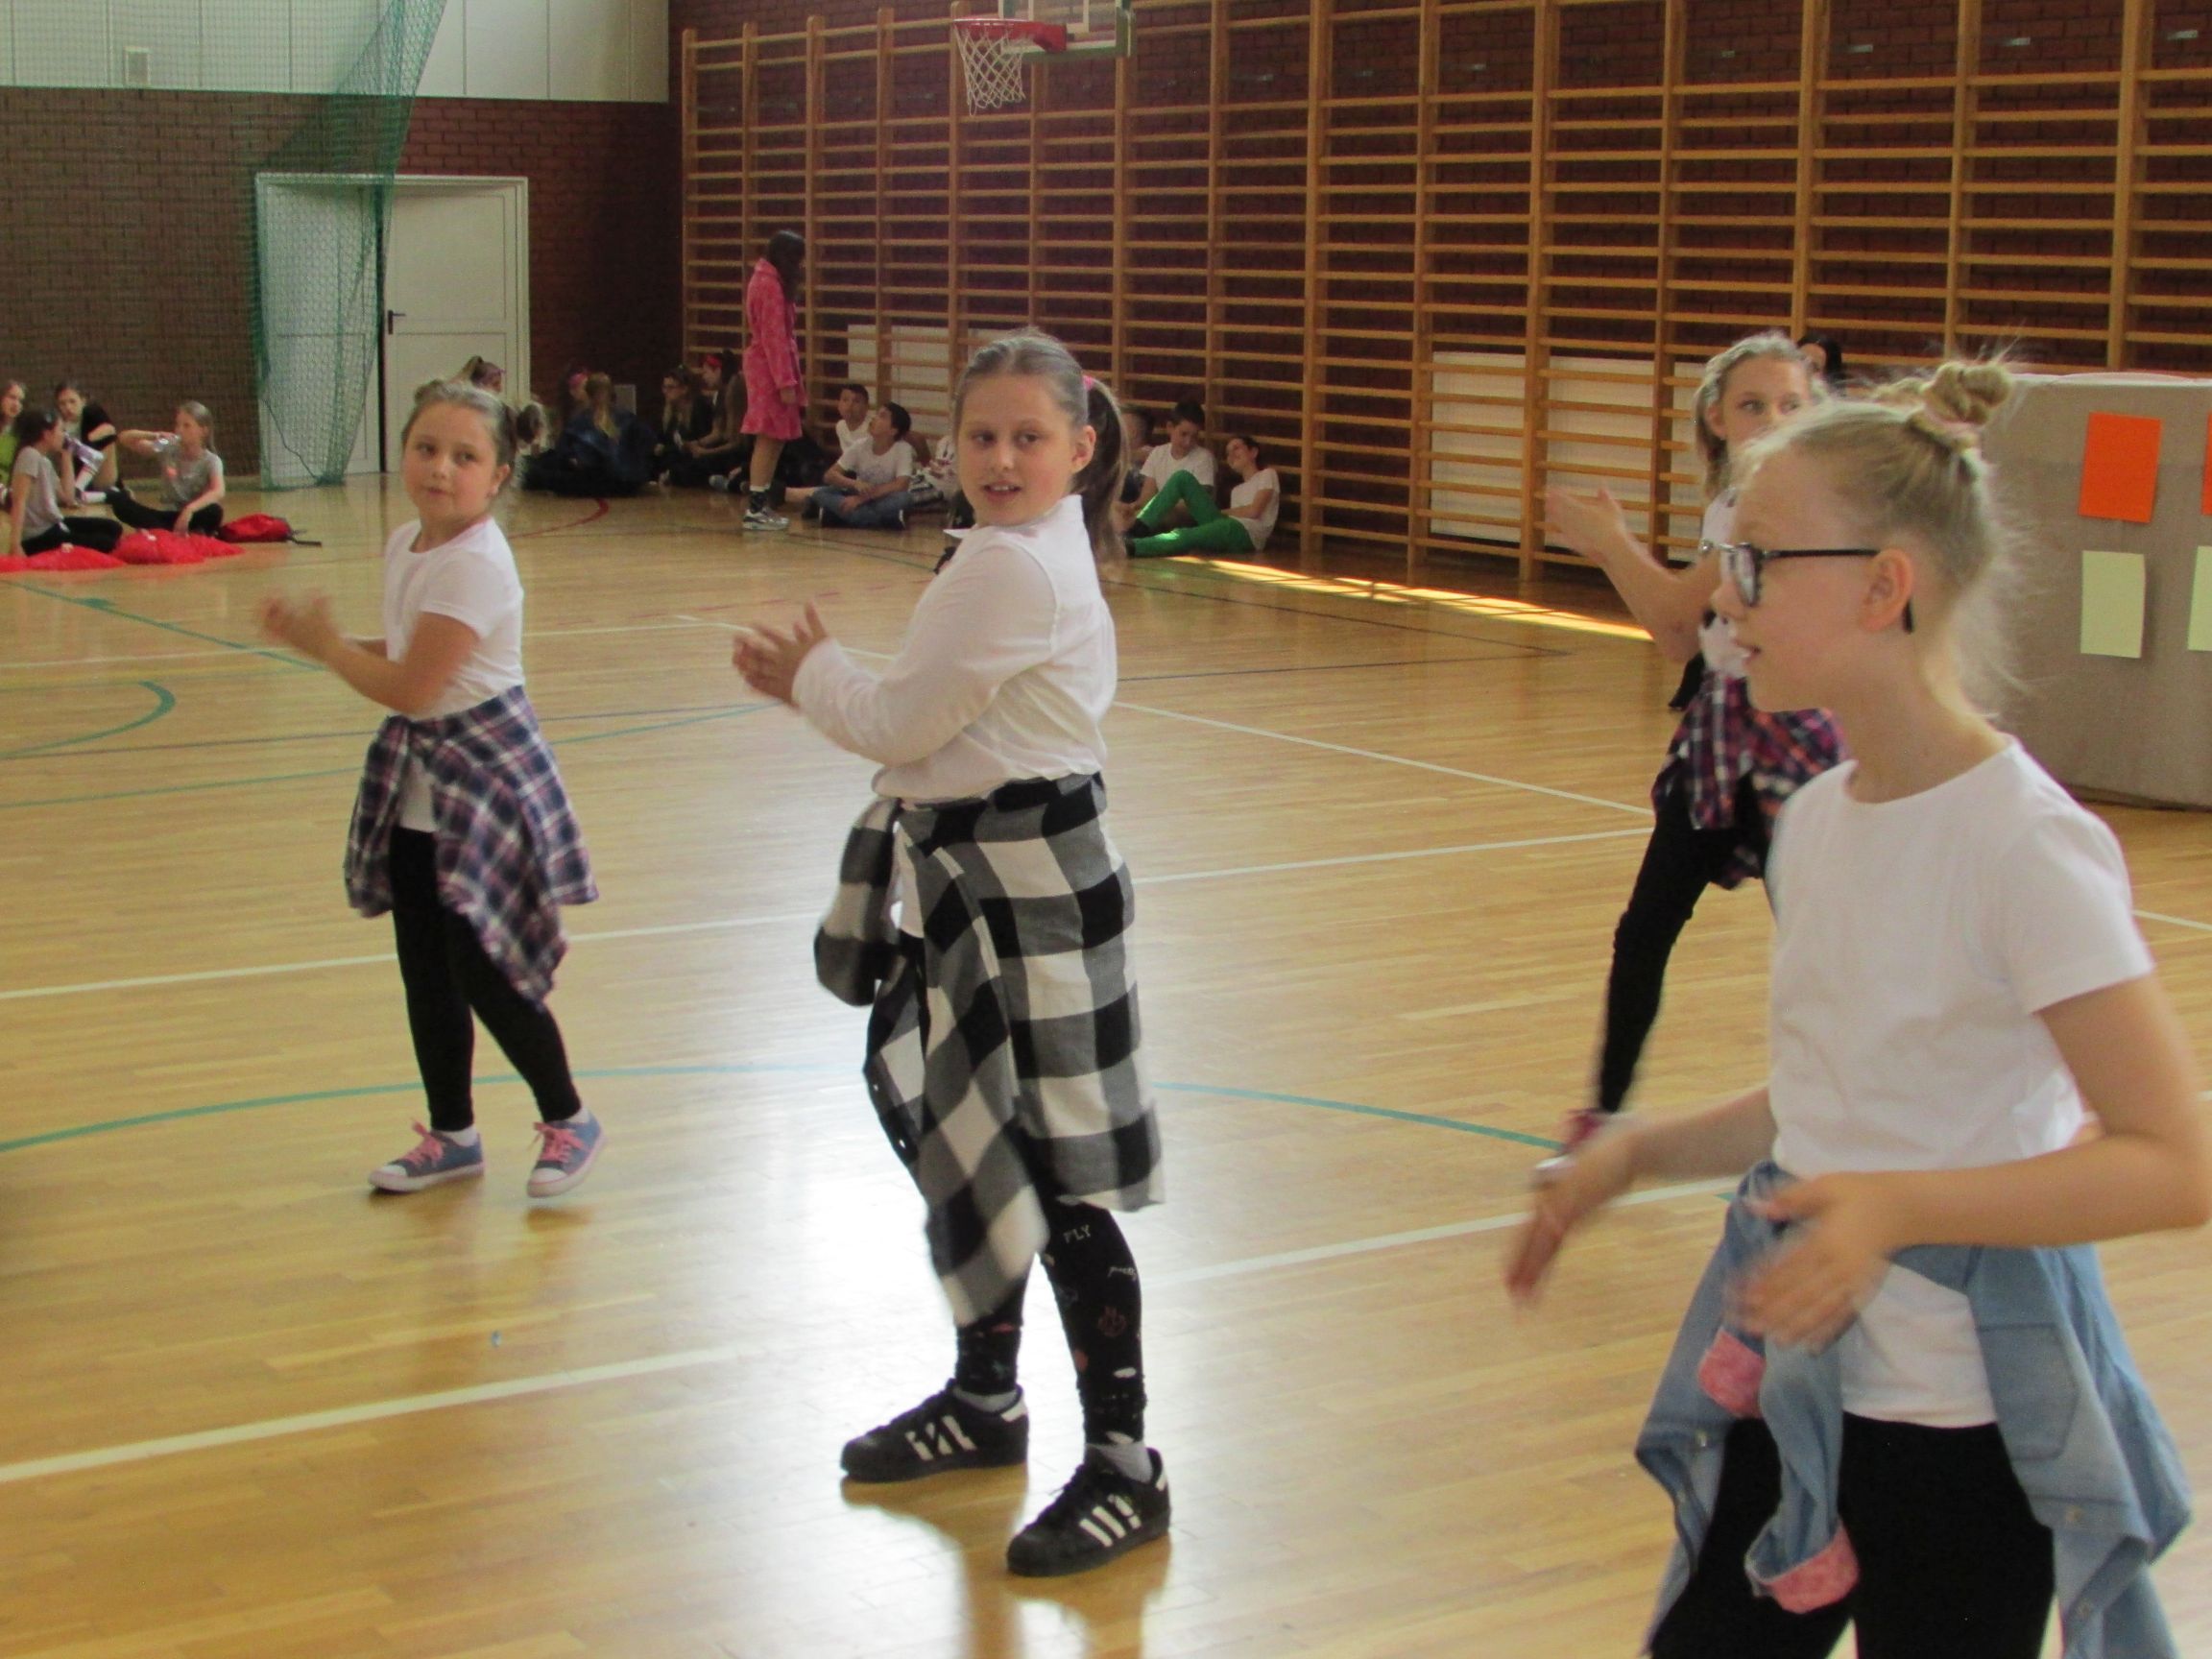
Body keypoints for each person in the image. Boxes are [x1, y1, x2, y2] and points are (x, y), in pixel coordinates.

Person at [1508, 359, 2207, 1659]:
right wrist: (1640, 1152)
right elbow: (1834, 1094)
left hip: (1966, 1429)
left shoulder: (2025, 847)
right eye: (1730, 556)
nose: (1727, 595)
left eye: (1760, 562)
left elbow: (2173, 1165)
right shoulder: (1819, 818)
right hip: (1798, 1377)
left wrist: (1895, 1208)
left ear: (1887, 587)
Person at [733, 330, 1170, 1577]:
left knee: (1052, 1180)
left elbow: (898, 723)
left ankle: (1127, 1467)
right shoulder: (1005, 551)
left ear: (1080, 447)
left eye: (1030, 436)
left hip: (1028, 899)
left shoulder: (1015, 569)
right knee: (964, 1139)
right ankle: (986, 1401)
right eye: (983, 435)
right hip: (980, 888)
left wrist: (811, 675)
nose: (1002, 457)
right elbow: (927, 736)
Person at [254, 380, 604, 1199]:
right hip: (426, 775)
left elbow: (414, 688)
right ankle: (453, 1135)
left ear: (499, 475)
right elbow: (409, 648)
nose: (441, 468)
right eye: (427, 449)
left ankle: (570, 1117)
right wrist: (326, 641)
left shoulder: (476, 564)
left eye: (464, 457)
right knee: (426, 967)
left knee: (486, 967)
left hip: (483, 775)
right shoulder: (410, 542)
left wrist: (328, 649)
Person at [1540, 332, 1842, 1167]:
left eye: (1791, 405)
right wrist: (1613, 547)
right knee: (1646, 927)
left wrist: (1611, 543)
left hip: (1797, 736)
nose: (1773, 419)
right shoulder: (1733, 504)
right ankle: (1605, 1117)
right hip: (1723, 732)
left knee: (1820, 946)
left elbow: (1677, 618)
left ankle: (1836, 1116)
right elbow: (1685, 633)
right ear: (1715, 417)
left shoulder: (1808, 503)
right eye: (1753, 405)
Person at [738, 229, 806, 530]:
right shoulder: (768, 285)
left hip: (770, 366)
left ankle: (760, 504)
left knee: (777, 437)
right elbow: (774, 338)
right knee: (768, 437)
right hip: (769, 369)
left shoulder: (769, 281)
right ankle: (755, 509)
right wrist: (785, 382)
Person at [1127, 434, 1279, 557]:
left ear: (1253, 452)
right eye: (1228, 453)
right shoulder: (1236, 490)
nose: (1231, 455)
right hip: (1227, 526)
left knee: (1185, 534)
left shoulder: (1267, 474)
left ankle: (1133, 547)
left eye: (1236, 448)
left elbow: (1254, 511)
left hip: (1247, 534)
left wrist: (1221, 513)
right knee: (1182, 477)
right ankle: (1138, 528)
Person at [7, 408, 125, 556]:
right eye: (61, 430)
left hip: (53, 525)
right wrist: (16, 545)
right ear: (47, 434)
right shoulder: (29, 455)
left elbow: (68, 497)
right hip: (39, 535)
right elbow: (19, 501)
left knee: (113, 528)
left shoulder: (44, 461)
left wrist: (66, 456)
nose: (65, 435)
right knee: (107, 543)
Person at [108, 402, 227, 534]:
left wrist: (189, 510)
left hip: (193, 515)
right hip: (166, 515)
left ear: (203, 431)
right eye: (178, 425)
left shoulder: (211, 461)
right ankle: (170, 530)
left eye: (186, 425)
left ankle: (165, 530)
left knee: (214, 511)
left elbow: (218, 491)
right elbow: (125, 439)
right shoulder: (167, 446)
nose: (180, 430)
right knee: (120, 501)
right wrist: (155, 435)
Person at [808, 400, 919, 529]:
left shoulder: (903, 449)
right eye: (876, 414)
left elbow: (901, 484)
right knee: (820, 493)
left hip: (884, 497)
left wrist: (860, 500)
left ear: (893, 430)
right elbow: (829, 475)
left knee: (905, 499)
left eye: (882, 416)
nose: (874, 418)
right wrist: (855, 483)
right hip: (858, 494)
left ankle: (843, 517)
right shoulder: (860, 445)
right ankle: (884, 521)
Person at [1131, 398, 1215, 523]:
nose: (1188, 442)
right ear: (1169, 427)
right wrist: (1132, 507)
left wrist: (1153, 511)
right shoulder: (1158, 453)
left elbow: (1194, 505)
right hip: (1159, 514)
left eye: (1194, 436)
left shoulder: (1204, 458)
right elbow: (1146, 496)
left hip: (1187, 521)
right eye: (1184, 434)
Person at [674, 349, 747, 489]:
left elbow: (736, 442)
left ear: (718, 371)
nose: (704, 377)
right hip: (726, 447)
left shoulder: (734, 391)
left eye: (706, 372)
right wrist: (695, 444)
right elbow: (717, 432)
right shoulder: (719, 395)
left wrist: (706, 452)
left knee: (693, 468)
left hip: (738, 452)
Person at [55, 379, 118, 498]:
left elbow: (110, 429)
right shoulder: (58, 423)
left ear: (83, 401)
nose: (68, 407)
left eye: (72, 401)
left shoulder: (91, 412)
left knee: (106, 439)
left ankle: (79, 488)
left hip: (98, 470)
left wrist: (84, 443)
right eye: (62, 404)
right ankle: (104, 495)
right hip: (73, 470)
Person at [651, 365, 712, 480]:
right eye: (664, 387)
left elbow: (701, 441)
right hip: (676, 458)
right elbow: (664, 439)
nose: (665, 392)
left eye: (670, 387)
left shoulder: (699, 407)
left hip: (695, 458)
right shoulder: (671, 413)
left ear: (684, 389)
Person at [833, 381, 871, 455]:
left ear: (866, 407)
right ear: (839, 405)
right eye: (845, 400)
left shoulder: (873, 429)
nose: (850, 405)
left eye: (856, 401)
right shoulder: (840, 426)